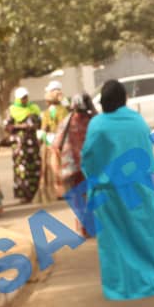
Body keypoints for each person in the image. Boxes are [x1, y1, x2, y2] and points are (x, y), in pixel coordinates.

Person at [82, 80, 154, 300]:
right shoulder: (137, 121)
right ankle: (150, 279)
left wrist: (92, 180)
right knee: (143, 234)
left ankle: (120, 285)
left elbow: (89, 156)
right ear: (124, 98)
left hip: (108, 190)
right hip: (138, 186)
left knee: (114, 241)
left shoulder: (98, 124)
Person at [55, 94, 98, 236]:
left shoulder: (66, 122)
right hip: (88, 166)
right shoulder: (94, 121)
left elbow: (56, 145)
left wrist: (57, 172)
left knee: (78, 199)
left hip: (71, 166)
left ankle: (84, 227)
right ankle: (89, 227)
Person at [5, 87, 42, 203]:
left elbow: (39, 124)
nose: (24, 100)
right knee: (21, 169)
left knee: (35, 168)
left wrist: (29, 126)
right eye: (22, 98)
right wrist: (22, 127)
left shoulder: (33, 109)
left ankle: (35, 194)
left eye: (26, 97)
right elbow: (7, 127)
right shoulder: (11, 110)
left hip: (33, 144)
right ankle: (23, 195)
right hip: (19, 145)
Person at [38, 81, 69, 203]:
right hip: (62, 142)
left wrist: (46, 139)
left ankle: (56, 192)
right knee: (61, 167)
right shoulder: (64, 110)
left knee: (52, 168)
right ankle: (63, 191)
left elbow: (43, 129)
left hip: (51, 142)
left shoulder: (47, 112)